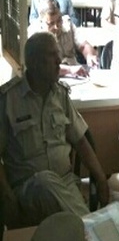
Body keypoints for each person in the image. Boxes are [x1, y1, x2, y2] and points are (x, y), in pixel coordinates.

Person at [0, 32, 109, 228]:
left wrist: (101, 178)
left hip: (65, 184)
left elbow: (80, 140)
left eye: (58, 54)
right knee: (44, 181)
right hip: (27, 190)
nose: (59, 61)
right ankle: (94, 230)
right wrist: (7, 199)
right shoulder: (9, 100)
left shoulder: (60, 95)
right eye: (52, 55)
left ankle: (88, 231)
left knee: (64, 225)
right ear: (34, 62)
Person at [28, 0, 99, 78]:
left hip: (75, 73)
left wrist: (90, 55)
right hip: (50, 77)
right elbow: (43, 67)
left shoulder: (67, 24)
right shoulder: (34, 34)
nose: (56, 26)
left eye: (59, 21)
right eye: (51, 23)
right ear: (41, 21)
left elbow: (84, 45)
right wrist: (69, 70)